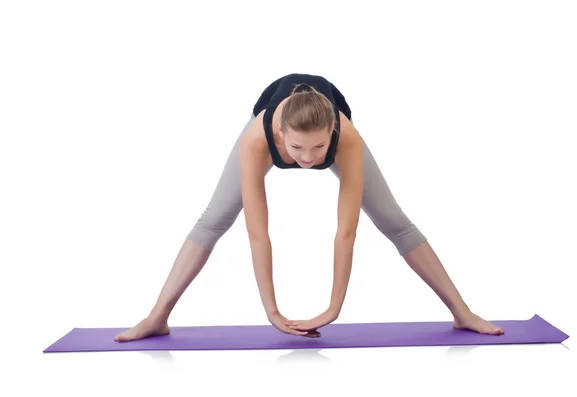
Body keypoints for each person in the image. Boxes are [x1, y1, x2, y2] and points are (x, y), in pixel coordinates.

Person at [114, 73, 504, 342]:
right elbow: (257, 233)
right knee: (214, 218)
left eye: (319, 149)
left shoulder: (345, 138)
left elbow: (346, 232)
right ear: (281, 133)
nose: (308, 159)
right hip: (268, 126)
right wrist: (272, 310)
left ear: (333, 131)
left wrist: (333, 307)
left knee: (395, 222)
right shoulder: (258, 140)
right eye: (297, 149)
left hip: (329, 120)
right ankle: (157, 318)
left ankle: (462, 313)